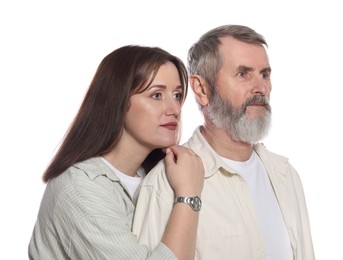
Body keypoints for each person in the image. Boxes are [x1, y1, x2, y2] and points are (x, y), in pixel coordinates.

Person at [133, 25, 315, 260]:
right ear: (201, 89)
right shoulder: (163, 185)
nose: (261, 88)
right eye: (243, 74)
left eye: (265, 74)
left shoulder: (286, 176)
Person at [28, 45, 205, 260]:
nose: (174, 109)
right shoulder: (80, 187)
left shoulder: (163, 176)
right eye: (156, 95)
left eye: (177, 95)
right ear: (118, 101)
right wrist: (188, 196)